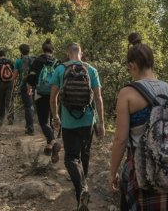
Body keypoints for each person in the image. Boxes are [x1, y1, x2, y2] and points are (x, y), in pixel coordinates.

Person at [109, 33, 168, 211]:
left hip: (142, 174)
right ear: (152, 63)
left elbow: (120, 140)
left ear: (132, 66)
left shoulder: (127, 94)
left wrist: (112, 173)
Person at [50, 42, 105, 211]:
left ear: (68, 53)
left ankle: (81, 190)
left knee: (70, 158)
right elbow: (98, 98)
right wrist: (101, 123)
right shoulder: (91, 70)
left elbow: (53, 98)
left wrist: (56, 117)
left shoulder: (60, 69)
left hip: (68, 122)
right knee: (85, 153)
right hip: (88, 120)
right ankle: (84, 185)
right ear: (81, 53)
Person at [26, 39, 59, 150]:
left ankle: (53, 142)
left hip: (41, 94)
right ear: (52, 50)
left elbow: (30, 77)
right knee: (50, 118)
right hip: (55, 95)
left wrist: (30, 88)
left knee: (44, 122)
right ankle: (50, 146)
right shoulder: (57, 62)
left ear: (43, 49)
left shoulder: (38, 60)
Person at [13, 44, 36, 135]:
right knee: (31, 105)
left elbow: (15, 75)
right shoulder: (33, 60)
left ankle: (30, 128)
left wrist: (10, 81)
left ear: (20, 51)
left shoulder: (19, 61)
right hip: (34, 85)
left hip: (25, 85)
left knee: (28, 107)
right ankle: (29, 125)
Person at [0, 50, 15, 124]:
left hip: (0, 83)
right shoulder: (10, 62)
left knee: (1, 100)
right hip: (10, 83)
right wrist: (13, 83)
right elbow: (14, 73)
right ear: (5, 54)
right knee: (10, 100)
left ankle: (1, 117)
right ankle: (10, 117)